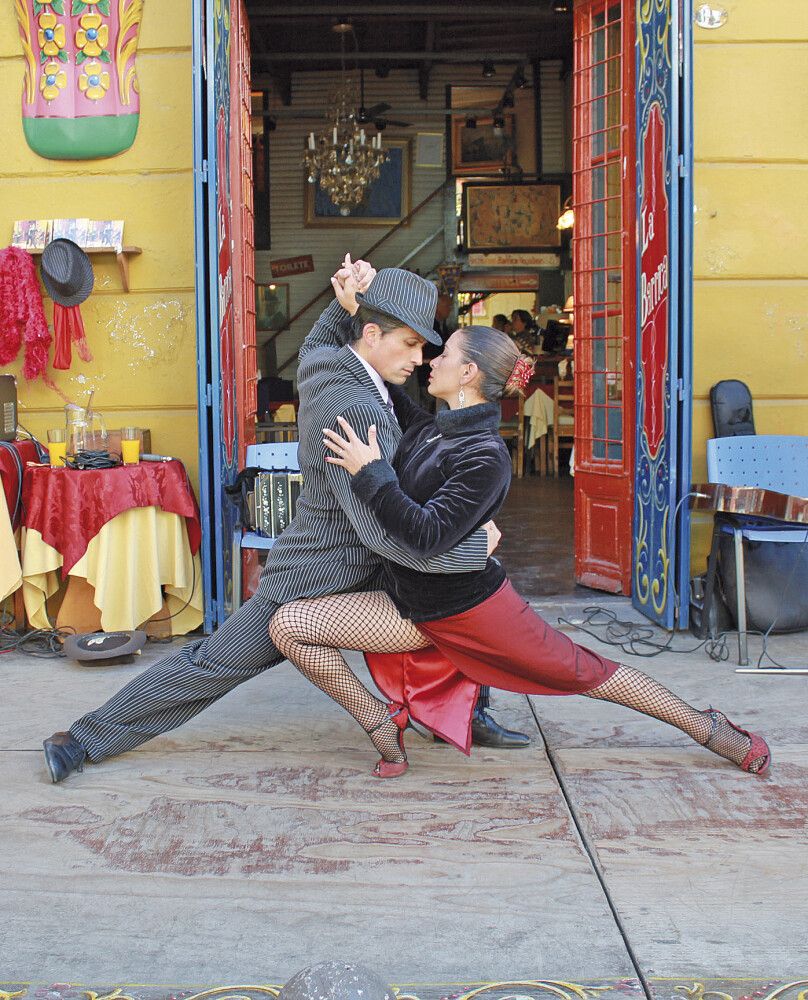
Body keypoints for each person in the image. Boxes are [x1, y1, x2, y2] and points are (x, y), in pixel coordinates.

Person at [41, 259, 511, 783]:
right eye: (409, 344)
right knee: (212, 665)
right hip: (318, 573)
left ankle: (471, 712)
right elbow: (383, 534)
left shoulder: (330, 366)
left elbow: (313, 347)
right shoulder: (356, 406)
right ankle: (82, 739)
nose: (420, 359)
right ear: (373, 333)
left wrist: (343, 303)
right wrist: (473, 549)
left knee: (466, 593)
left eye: (426, 347)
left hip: (361, 561)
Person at [268, 323, 771, 779]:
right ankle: (380, 723)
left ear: (467, 373)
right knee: (289, 626)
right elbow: (370, 378)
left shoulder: (485, 455)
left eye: (443, 355)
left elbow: (425, 535)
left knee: (585, 672)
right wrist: (352, 312)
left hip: (471, 611)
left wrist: (371, 473)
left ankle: (708, 729)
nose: (429, 360)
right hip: (407, 608)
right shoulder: (433, 427)